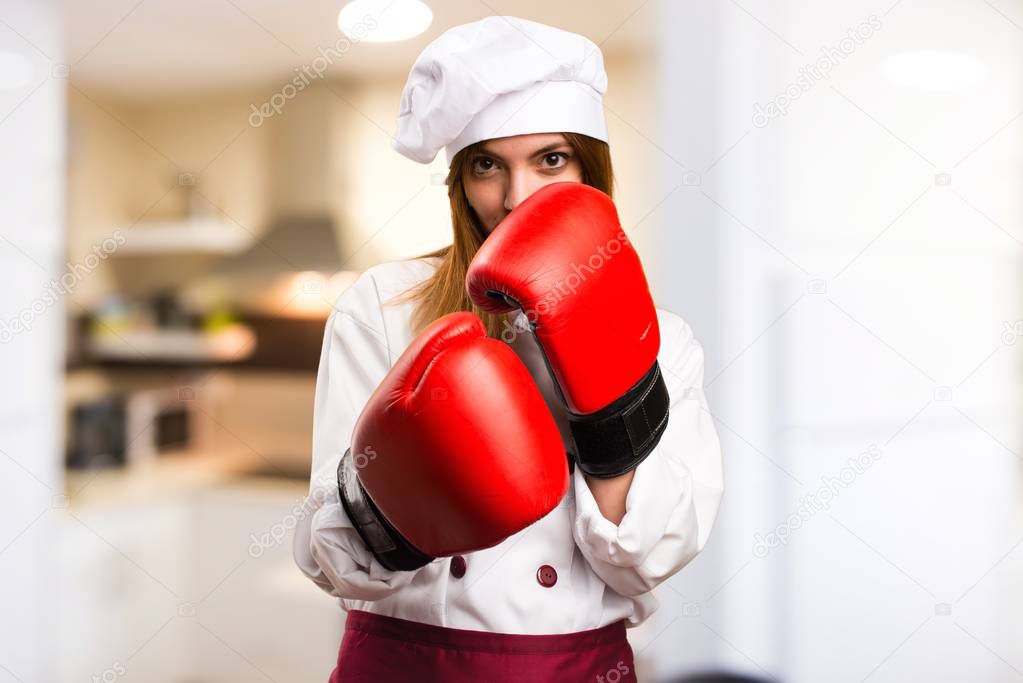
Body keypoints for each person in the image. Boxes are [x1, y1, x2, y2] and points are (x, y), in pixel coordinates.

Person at [292, 15, 725, 682]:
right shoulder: (384, 304)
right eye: (488, 165)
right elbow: (327, 555)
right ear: (459, 182)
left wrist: (608, 402)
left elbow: (645, 559)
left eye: (550, 159)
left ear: (591, 169)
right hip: (407, 660)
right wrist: (402, 500)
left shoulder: (660, 337)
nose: (516, 197)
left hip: (577, 664)